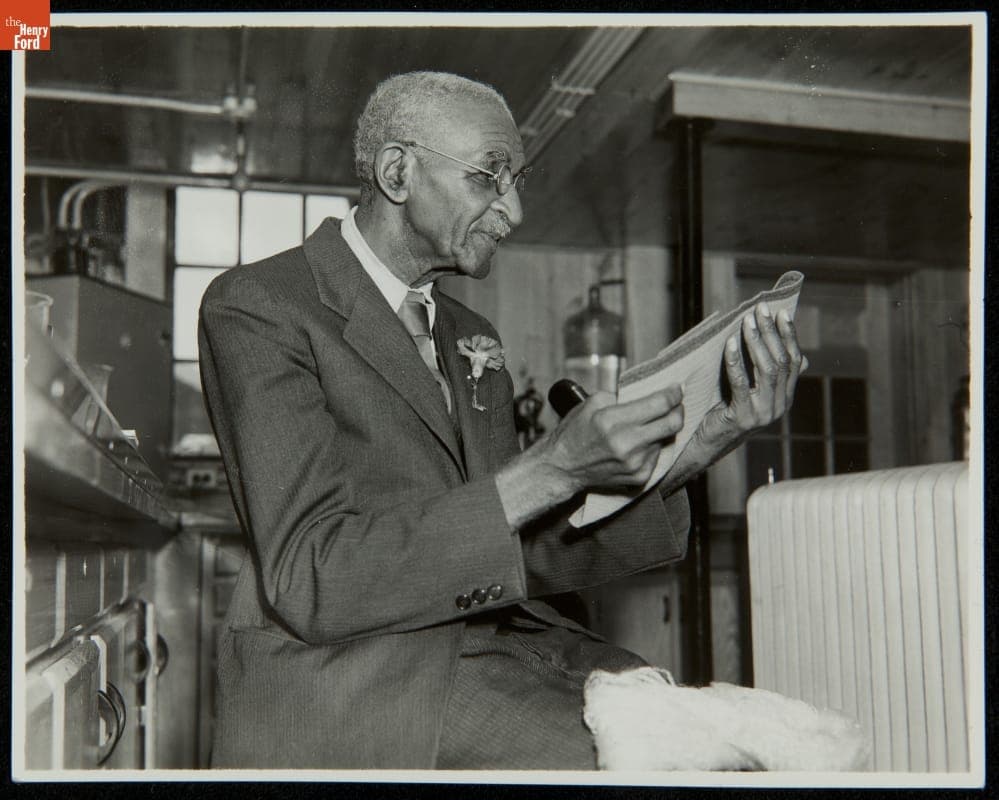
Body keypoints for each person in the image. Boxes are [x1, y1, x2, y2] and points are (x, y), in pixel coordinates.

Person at [198, 71, 805, 770]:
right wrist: (552, 467)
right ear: (397, 172)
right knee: (678, 766)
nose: (512, 210)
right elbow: (313, 578)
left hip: (496, 646)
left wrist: (703, 442)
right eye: (489, 176)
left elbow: (522, 554)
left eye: (514, 181)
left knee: (755, 749)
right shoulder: (261, 304)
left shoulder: (468, 333)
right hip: (355, 679)